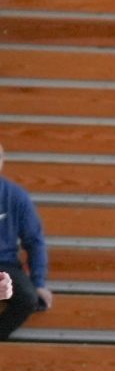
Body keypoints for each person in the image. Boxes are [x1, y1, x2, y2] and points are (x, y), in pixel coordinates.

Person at [0, 143, 53, 341]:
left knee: (28, 298)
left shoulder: (15, 196)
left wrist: (38, 282)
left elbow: (34, 240)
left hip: (4, 266)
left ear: (2, 162)